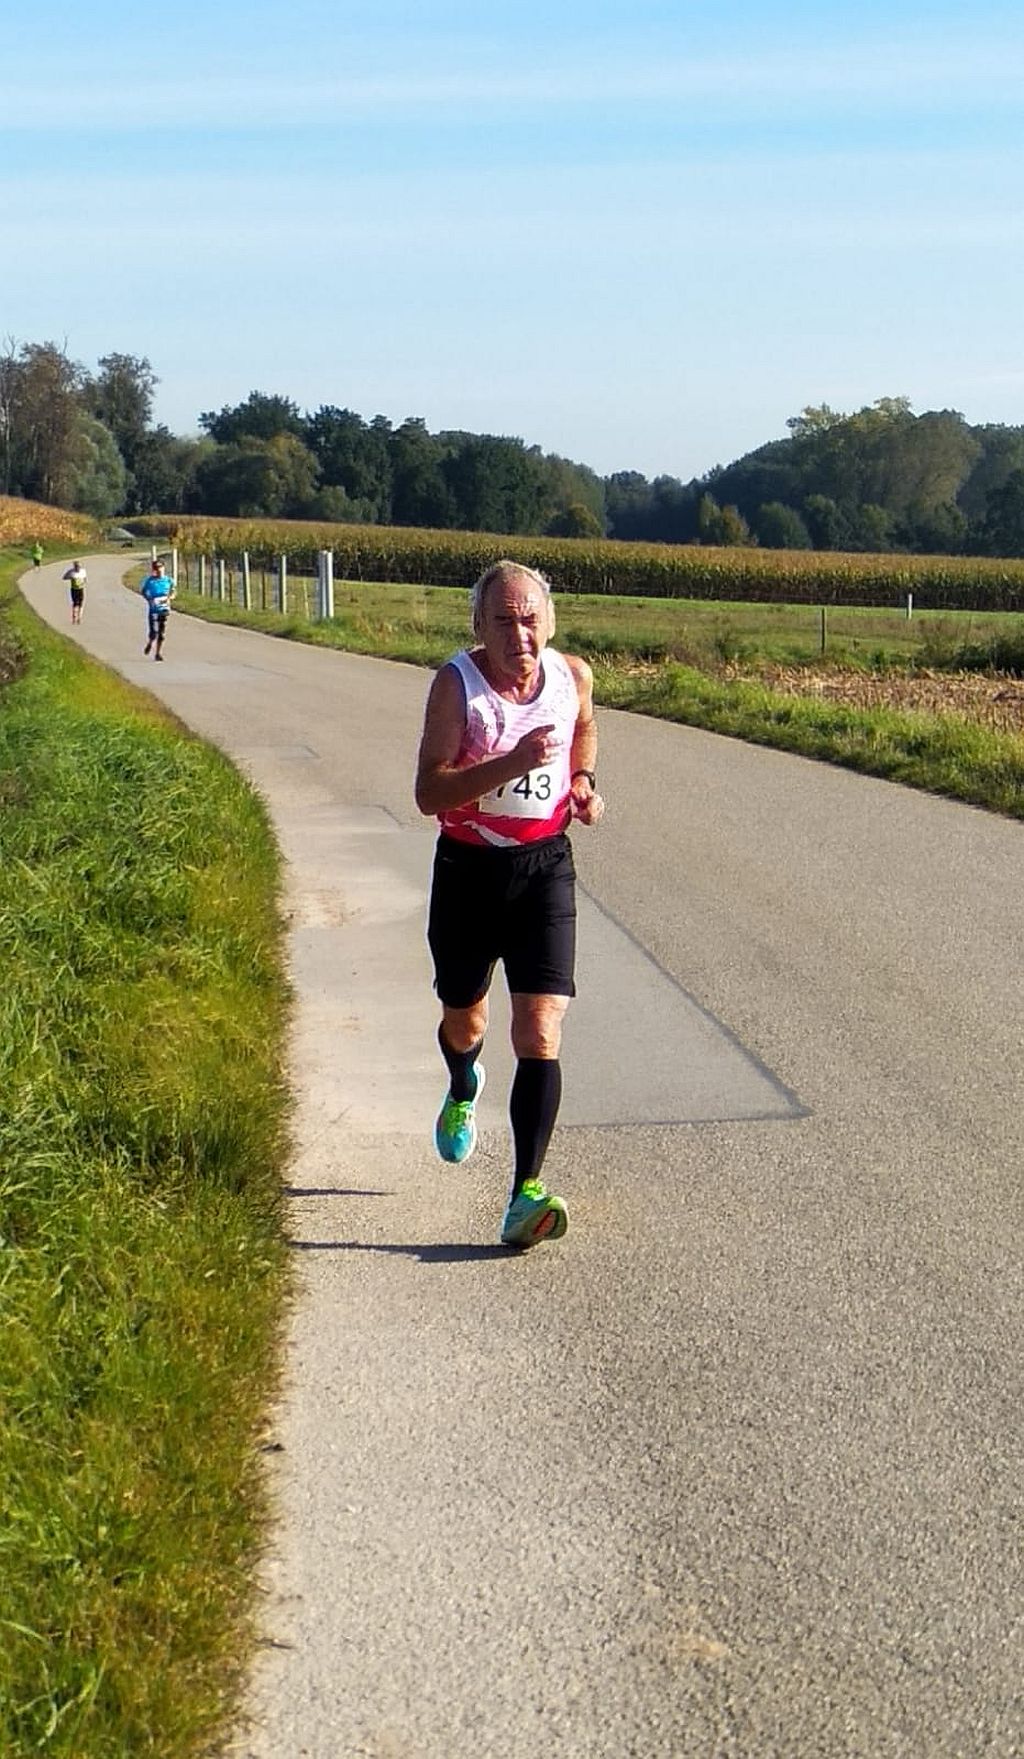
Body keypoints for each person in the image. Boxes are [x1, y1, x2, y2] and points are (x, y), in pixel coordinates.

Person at [415, 559, 605, 1249]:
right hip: (467, 872)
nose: (518, 635)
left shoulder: (572, 675)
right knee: (464, 1019)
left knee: (540, 1028)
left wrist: (582, 781)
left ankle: (525, 1194)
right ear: (479, 625)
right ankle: (463, 1084)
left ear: (549, 622)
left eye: (530, 620)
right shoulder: (457, 686)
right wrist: (514, 762)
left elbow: (583, 727)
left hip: (544, 867)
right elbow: (429, 793)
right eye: (502, 621)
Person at [140, 558, 175, 660]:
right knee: (154, 632)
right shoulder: (150, 581)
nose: (159, 570)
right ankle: (150, 642)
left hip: (164, 608)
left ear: (164, 568)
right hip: (154, 609)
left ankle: (158, 653)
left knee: (161, 632)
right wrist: (149, 599)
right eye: (156, 568)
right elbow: (143, 591)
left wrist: (170, 598)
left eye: (160, 567)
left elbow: (173, 592)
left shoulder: (169, 580)